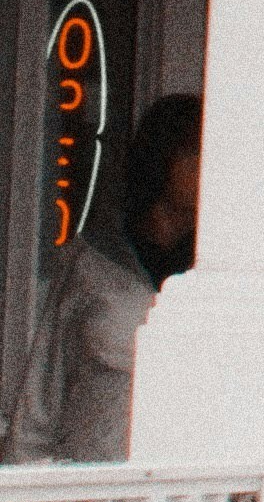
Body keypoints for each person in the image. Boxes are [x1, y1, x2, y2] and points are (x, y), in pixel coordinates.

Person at [8, 93, 193, 467]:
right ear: (164, 159)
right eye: (196, 152)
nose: (211, 169)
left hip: (171, 501)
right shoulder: (93, 263)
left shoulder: (214, 280)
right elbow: (40, 396)